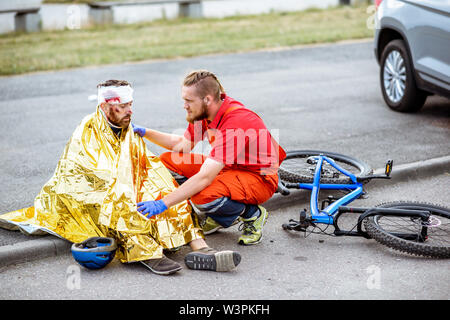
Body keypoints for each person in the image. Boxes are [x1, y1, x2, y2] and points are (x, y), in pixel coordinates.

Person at [0, 79, 241, 276]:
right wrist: (130, 185)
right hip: (85, 190)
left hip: (127, 183)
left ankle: (201, 248)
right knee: (122, 199)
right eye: (122, 106)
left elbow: (147, 161)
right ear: (105, 107)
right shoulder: (88, 128)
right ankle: (145, 253)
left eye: (131, 104)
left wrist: (160, 192)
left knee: (165, 188)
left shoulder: (128, 128)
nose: (130, 110)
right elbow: (87, 172)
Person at [133, 70, 285, 246]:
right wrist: (145, 132)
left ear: (207, 99)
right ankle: (219, 214)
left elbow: (205, 177)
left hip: (259, 177)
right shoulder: (204, 114)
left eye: (188, 101)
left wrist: (162, 204)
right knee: (168, 161)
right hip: (229, 168)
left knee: (203, 196)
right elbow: (183, 145)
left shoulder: (236, 122)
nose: (184, 105)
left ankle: (252, 214)